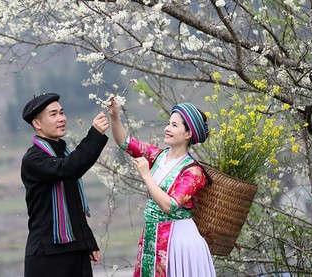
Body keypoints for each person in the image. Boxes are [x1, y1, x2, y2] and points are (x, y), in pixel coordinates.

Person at [107, 96, 216, 277]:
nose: (167, 128)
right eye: (168, 123)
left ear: (188, 134)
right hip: (153, 233)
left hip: (178, 240)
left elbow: (169, 205)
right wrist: (114, 116)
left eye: (174, 125)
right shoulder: (157, 155)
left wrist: (146, 175)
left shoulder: (193, 172)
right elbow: (124, 141)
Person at [21, 92, 110, 277]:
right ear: (37, 124)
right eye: (53, 115)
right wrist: (94, 135)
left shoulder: (64, 154)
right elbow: (67, 169)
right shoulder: (33, 159)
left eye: (62, 113)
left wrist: (87, 241)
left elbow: (74, 205)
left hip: (76, 249)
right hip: (47, 254)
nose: (61, 118)